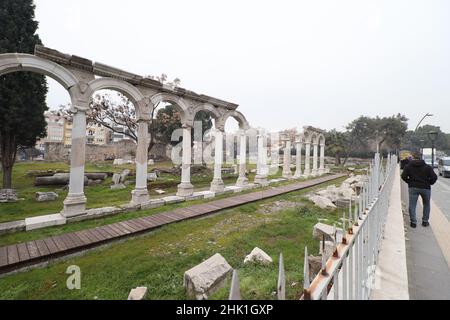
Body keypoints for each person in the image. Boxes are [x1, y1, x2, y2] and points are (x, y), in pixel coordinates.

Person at [401, 152, 438, 228]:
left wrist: (409, 182)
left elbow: (403, 176)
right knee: (426, 204)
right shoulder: (428, 167)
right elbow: (434, 177)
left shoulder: (408, 166)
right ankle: (425, 221)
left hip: (413, 187)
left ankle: (413, 222)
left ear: (413, 157)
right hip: (425, 188)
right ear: (421, 157)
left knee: (412, 205)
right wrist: (430, 183)